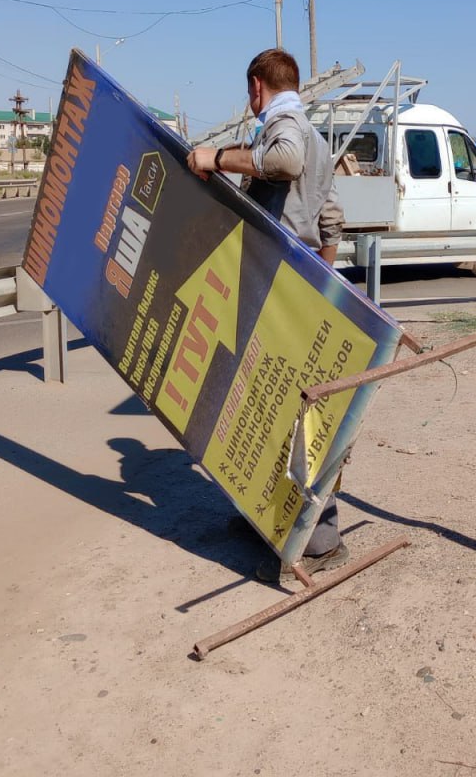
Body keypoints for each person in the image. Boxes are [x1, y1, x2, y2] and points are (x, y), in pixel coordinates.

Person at [186, 48, 349, 584]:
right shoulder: (317, 135)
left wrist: (215, 159)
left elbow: (284, 163)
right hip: (297, 283)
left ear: (257, 86)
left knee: (289, 413)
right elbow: (330, 213)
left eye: (249, 92)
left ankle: (320, 538)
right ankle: (263, 517)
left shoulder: (284, 124)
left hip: (277, 284)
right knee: (281, 404)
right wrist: (319, 274)